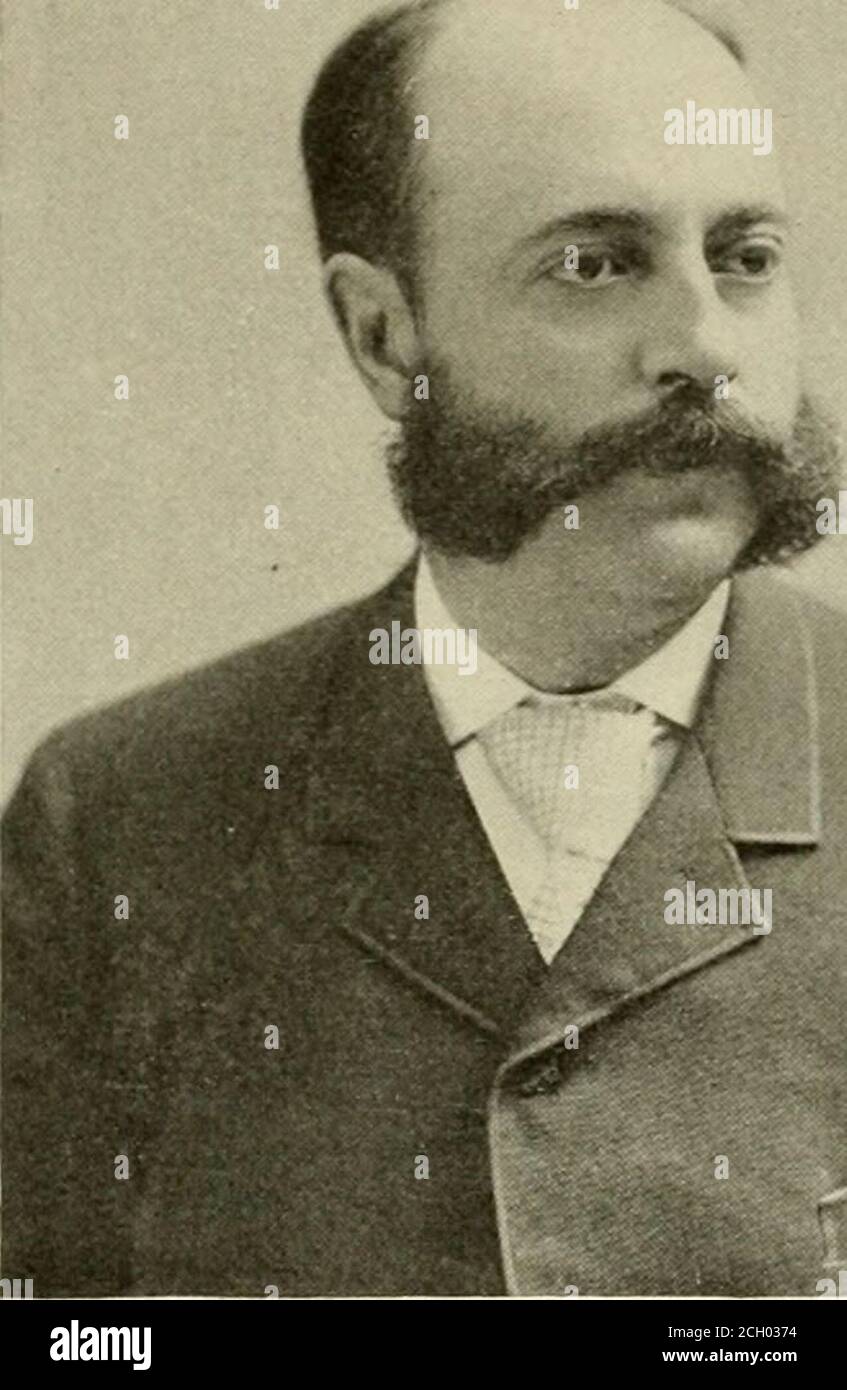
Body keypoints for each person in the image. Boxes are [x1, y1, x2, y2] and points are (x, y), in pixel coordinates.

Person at [3, 0, 846, 1297]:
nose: (706, 347)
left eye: (744, 258)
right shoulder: (121, 822)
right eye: (594, 265)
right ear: (385, 337)